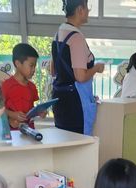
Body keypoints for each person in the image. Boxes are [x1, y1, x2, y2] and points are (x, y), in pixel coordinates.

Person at [51, 0, 105, 135]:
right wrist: (96, 68)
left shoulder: (58, 34)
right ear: (80, 9)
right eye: (88, 8)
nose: (88, 11)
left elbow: (53, 70)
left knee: (64, 145)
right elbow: (80, 77)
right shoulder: (76, 38)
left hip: (59, 99)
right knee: (80, 146)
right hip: (75, 103)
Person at [1, 43, 44, 130]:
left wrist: (39, 112)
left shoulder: (32, 87)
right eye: (31, 65)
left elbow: (30, 110)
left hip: (30, 131)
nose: (34, 70)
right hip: (12, 134)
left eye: (35, 66)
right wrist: (12, 115)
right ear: (18, 64)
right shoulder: (6, 86)